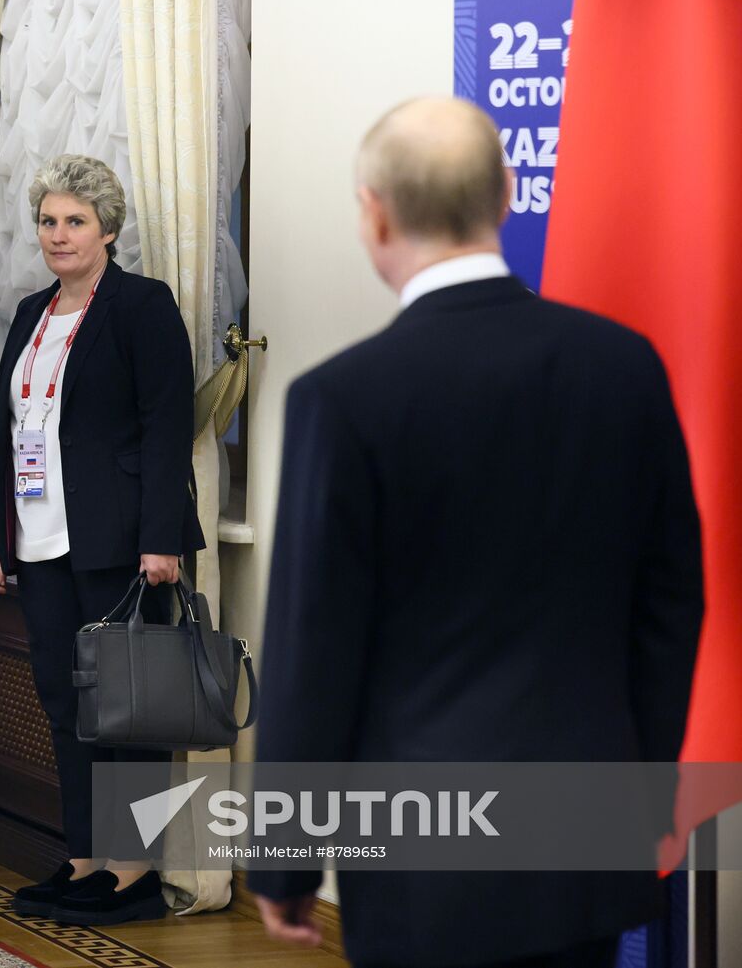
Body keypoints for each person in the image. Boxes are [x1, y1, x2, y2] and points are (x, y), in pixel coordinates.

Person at [249, 97, 703, 968]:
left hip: (425, 862)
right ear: (505, 193)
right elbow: (670, 604)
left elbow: (316, 648)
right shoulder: (625, 366)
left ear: (373, 212)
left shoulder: (343, 399)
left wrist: (286, 858)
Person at [0, 154, 204, 926]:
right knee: (65, 701)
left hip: (121, 547)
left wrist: (160, 538)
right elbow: (9, 434)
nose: (59, 234)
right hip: (39, 542)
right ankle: (85, 857)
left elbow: (166, 425)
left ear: (108, 228)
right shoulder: (30, 313)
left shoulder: (142, 305)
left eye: (75, 221)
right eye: (48, 220)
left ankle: (132, 870)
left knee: (128, 709)